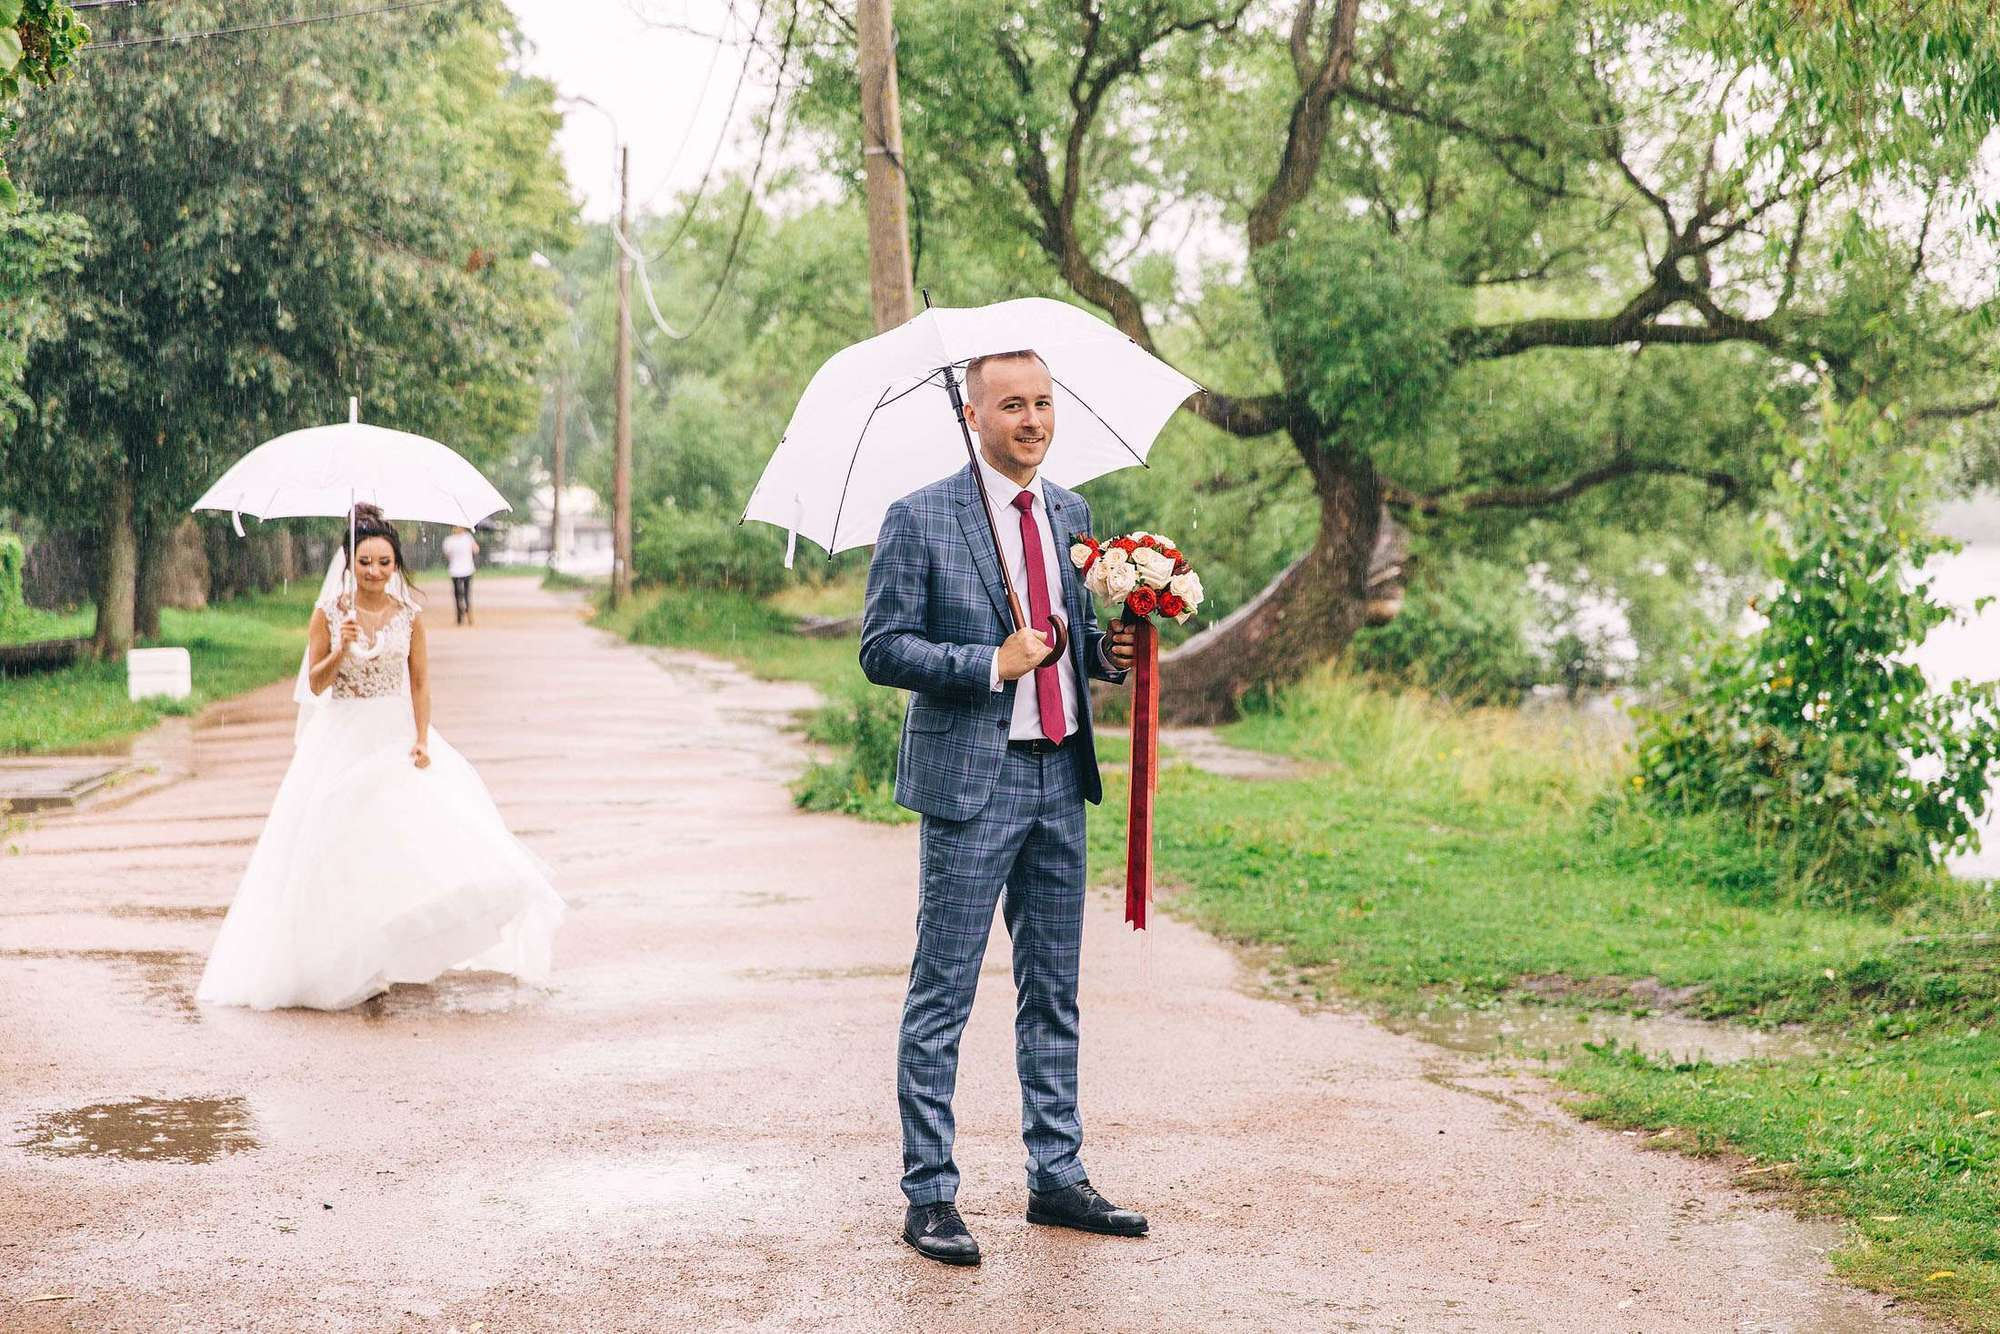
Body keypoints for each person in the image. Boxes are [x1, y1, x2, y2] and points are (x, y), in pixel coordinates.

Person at [860, 348, 1143, 1268]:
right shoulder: (920, 516)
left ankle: (1056, 1176)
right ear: (974, 414)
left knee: (1053, 989)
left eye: (1043, 404)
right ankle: (930, 1194)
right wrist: (988, 663)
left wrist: (1112, 652)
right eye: (1012, 405)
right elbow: (884, 648)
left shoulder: (1070, 514)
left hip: (1062, 777)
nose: (1032, 420)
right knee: (943, 992)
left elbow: (1077, 640)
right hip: (971, 784)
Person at [196, 505, 564, 1011]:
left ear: (397, 565)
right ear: (349, 563)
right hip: (342, 736)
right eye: (365, 562)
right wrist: (339, 650)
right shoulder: (328, 614)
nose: (375, 571)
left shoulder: (410, 615)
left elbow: (419, 680)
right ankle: (341, 960)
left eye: (384, 562)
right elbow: (316, 685)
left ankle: (388, 948)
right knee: (341, 848)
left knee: (405, 840)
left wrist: (421, 737)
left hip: (395, 735)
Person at [443, 525, 479, 626]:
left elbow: (447, 554)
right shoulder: (468, 537)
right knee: (465, 593)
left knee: (458, 594)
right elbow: (476, 549)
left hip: (457, 570)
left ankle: (460, 615)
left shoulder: (449, 540)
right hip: (465, 569)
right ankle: (466, 612)